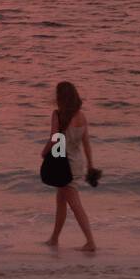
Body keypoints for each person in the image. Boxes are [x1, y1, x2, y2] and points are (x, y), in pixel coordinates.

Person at [42, 81, 96, 251]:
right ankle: (54, 238)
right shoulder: (81, 116)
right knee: (61, 202)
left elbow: (54, 138)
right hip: (77, 162)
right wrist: (90, 165)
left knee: (75, 204)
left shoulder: (58, 115)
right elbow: (86, 144)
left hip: (64, 165)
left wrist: (44, 152)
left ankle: (90, 242)